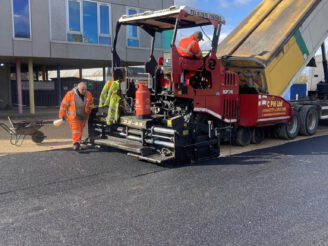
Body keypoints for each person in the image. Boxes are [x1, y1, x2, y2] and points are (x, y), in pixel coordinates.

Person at [59, 82, 94, 150]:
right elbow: (64, 105)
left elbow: (91, 104)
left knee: (80, 130)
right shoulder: (70, 94)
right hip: (73, 116)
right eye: (82, 89)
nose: (84, 91)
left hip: (83, 116)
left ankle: (78, 143)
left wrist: (90, 111)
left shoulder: (89, 94)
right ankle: (76, 143)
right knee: (76, 130)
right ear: (78, 88)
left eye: (85, 89)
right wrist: (61, 115)